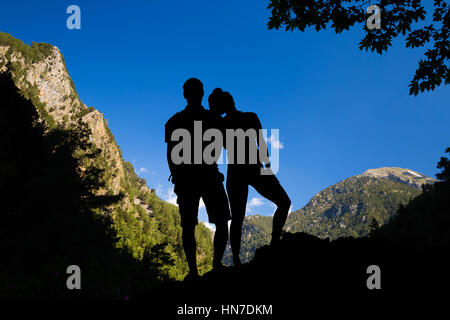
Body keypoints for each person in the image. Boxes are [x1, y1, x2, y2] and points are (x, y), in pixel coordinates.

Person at [208, 88, 291, 268]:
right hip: (254, 168)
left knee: (238, 218)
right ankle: (274, 242)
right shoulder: (250, 117)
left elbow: (213, 150)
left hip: (236, 172)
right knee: (284, 202)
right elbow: (261, 145)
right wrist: (268, 169)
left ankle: (237, 260)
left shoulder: (221, 123)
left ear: (221, 106)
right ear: (232, 102)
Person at [165, 78, 230, 279]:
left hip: (188, 178)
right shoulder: (213, 119)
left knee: (189, 225)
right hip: (208, 175)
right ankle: (216, 264)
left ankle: (194, 271)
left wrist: (176, 175)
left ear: (185, 94)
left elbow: (170, 153)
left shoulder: (174, 121)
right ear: (202, 93)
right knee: (219, 220)